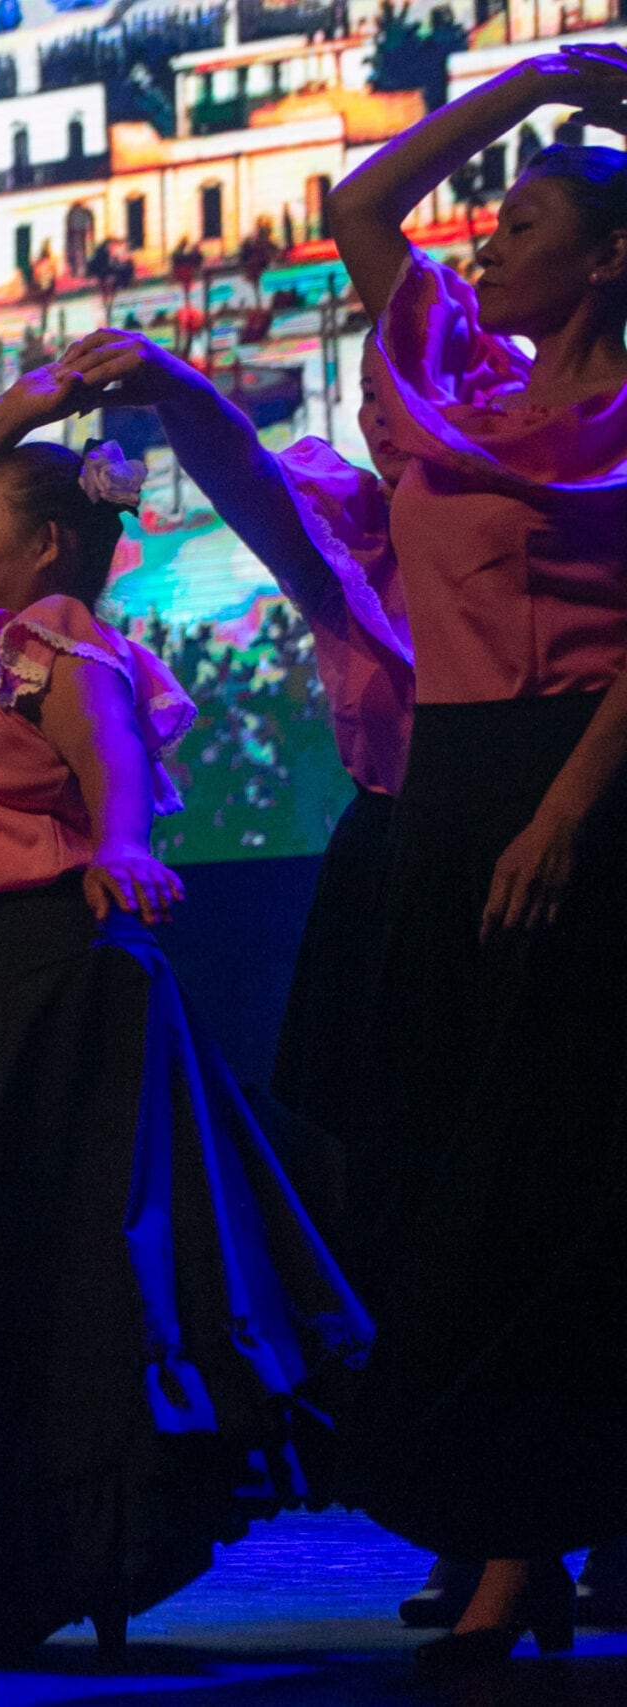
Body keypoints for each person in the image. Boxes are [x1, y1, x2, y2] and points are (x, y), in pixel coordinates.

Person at [0, 367, 370, 1661]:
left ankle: (58, 1549)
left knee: (43, 1268)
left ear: (47, 545)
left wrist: (118, 842)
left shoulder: (45, 634)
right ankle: (1, 1546)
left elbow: (108, 757)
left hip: (40, 978)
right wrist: (43, 393)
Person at [322, 42, 627, 1672]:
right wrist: (547, 76)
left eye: (522, 225)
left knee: (549, 1175)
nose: (486, 246)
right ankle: (507, 1523)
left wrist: (568, 818)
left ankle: (525, 1549)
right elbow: (360, 198)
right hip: (444, 782)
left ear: (607, 258)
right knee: (434, 1165)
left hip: (578, 781)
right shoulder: (447, 371)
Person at [59, 326, 416, 1264]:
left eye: (406, 394)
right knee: (380, 1157)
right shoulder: (358, 540)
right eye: (372, 399)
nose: (384, 418)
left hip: (534, 844)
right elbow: (247, 476)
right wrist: (173, 384)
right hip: (397, 858)